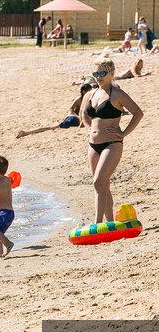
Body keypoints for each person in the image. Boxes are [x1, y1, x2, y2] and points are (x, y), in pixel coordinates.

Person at [80, 58, 143, 223]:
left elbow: (138, 113)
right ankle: (110, 223)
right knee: (102, 185)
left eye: (102, 73)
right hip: (93, 146)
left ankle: (97, 224)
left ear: (112, 73)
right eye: (96, 73)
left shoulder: (117, 93)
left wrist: (123, 133)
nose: (98, 77)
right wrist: (89, 127)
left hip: (112, 144)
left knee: (98, 182)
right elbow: (84, 114)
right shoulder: (92, 93)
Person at [16, 83, 93, 138]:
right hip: (73, 119)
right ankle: (26, 133)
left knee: (51, 127)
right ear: (84, 92)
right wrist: (79, 118)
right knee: (51, 127)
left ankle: (25, 132)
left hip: (76, 119)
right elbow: (71, 110)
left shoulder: (86, 99)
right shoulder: (78, 100)